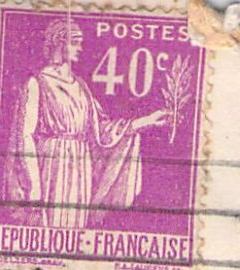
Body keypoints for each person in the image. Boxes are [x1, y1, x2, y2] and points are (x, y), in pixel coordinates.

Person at [11, 18, 168, 227]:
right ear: (59, 43)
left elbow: (101, 130)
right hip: (53, 165)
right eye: (74, 42)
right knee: (51, 225)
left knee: (75, 228)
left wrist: (146, 121)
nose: (80, 48)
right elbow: (25, 137)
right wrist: (34, 187)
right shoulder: (37, 82)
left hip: (80, 167)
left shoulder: (81, 87)